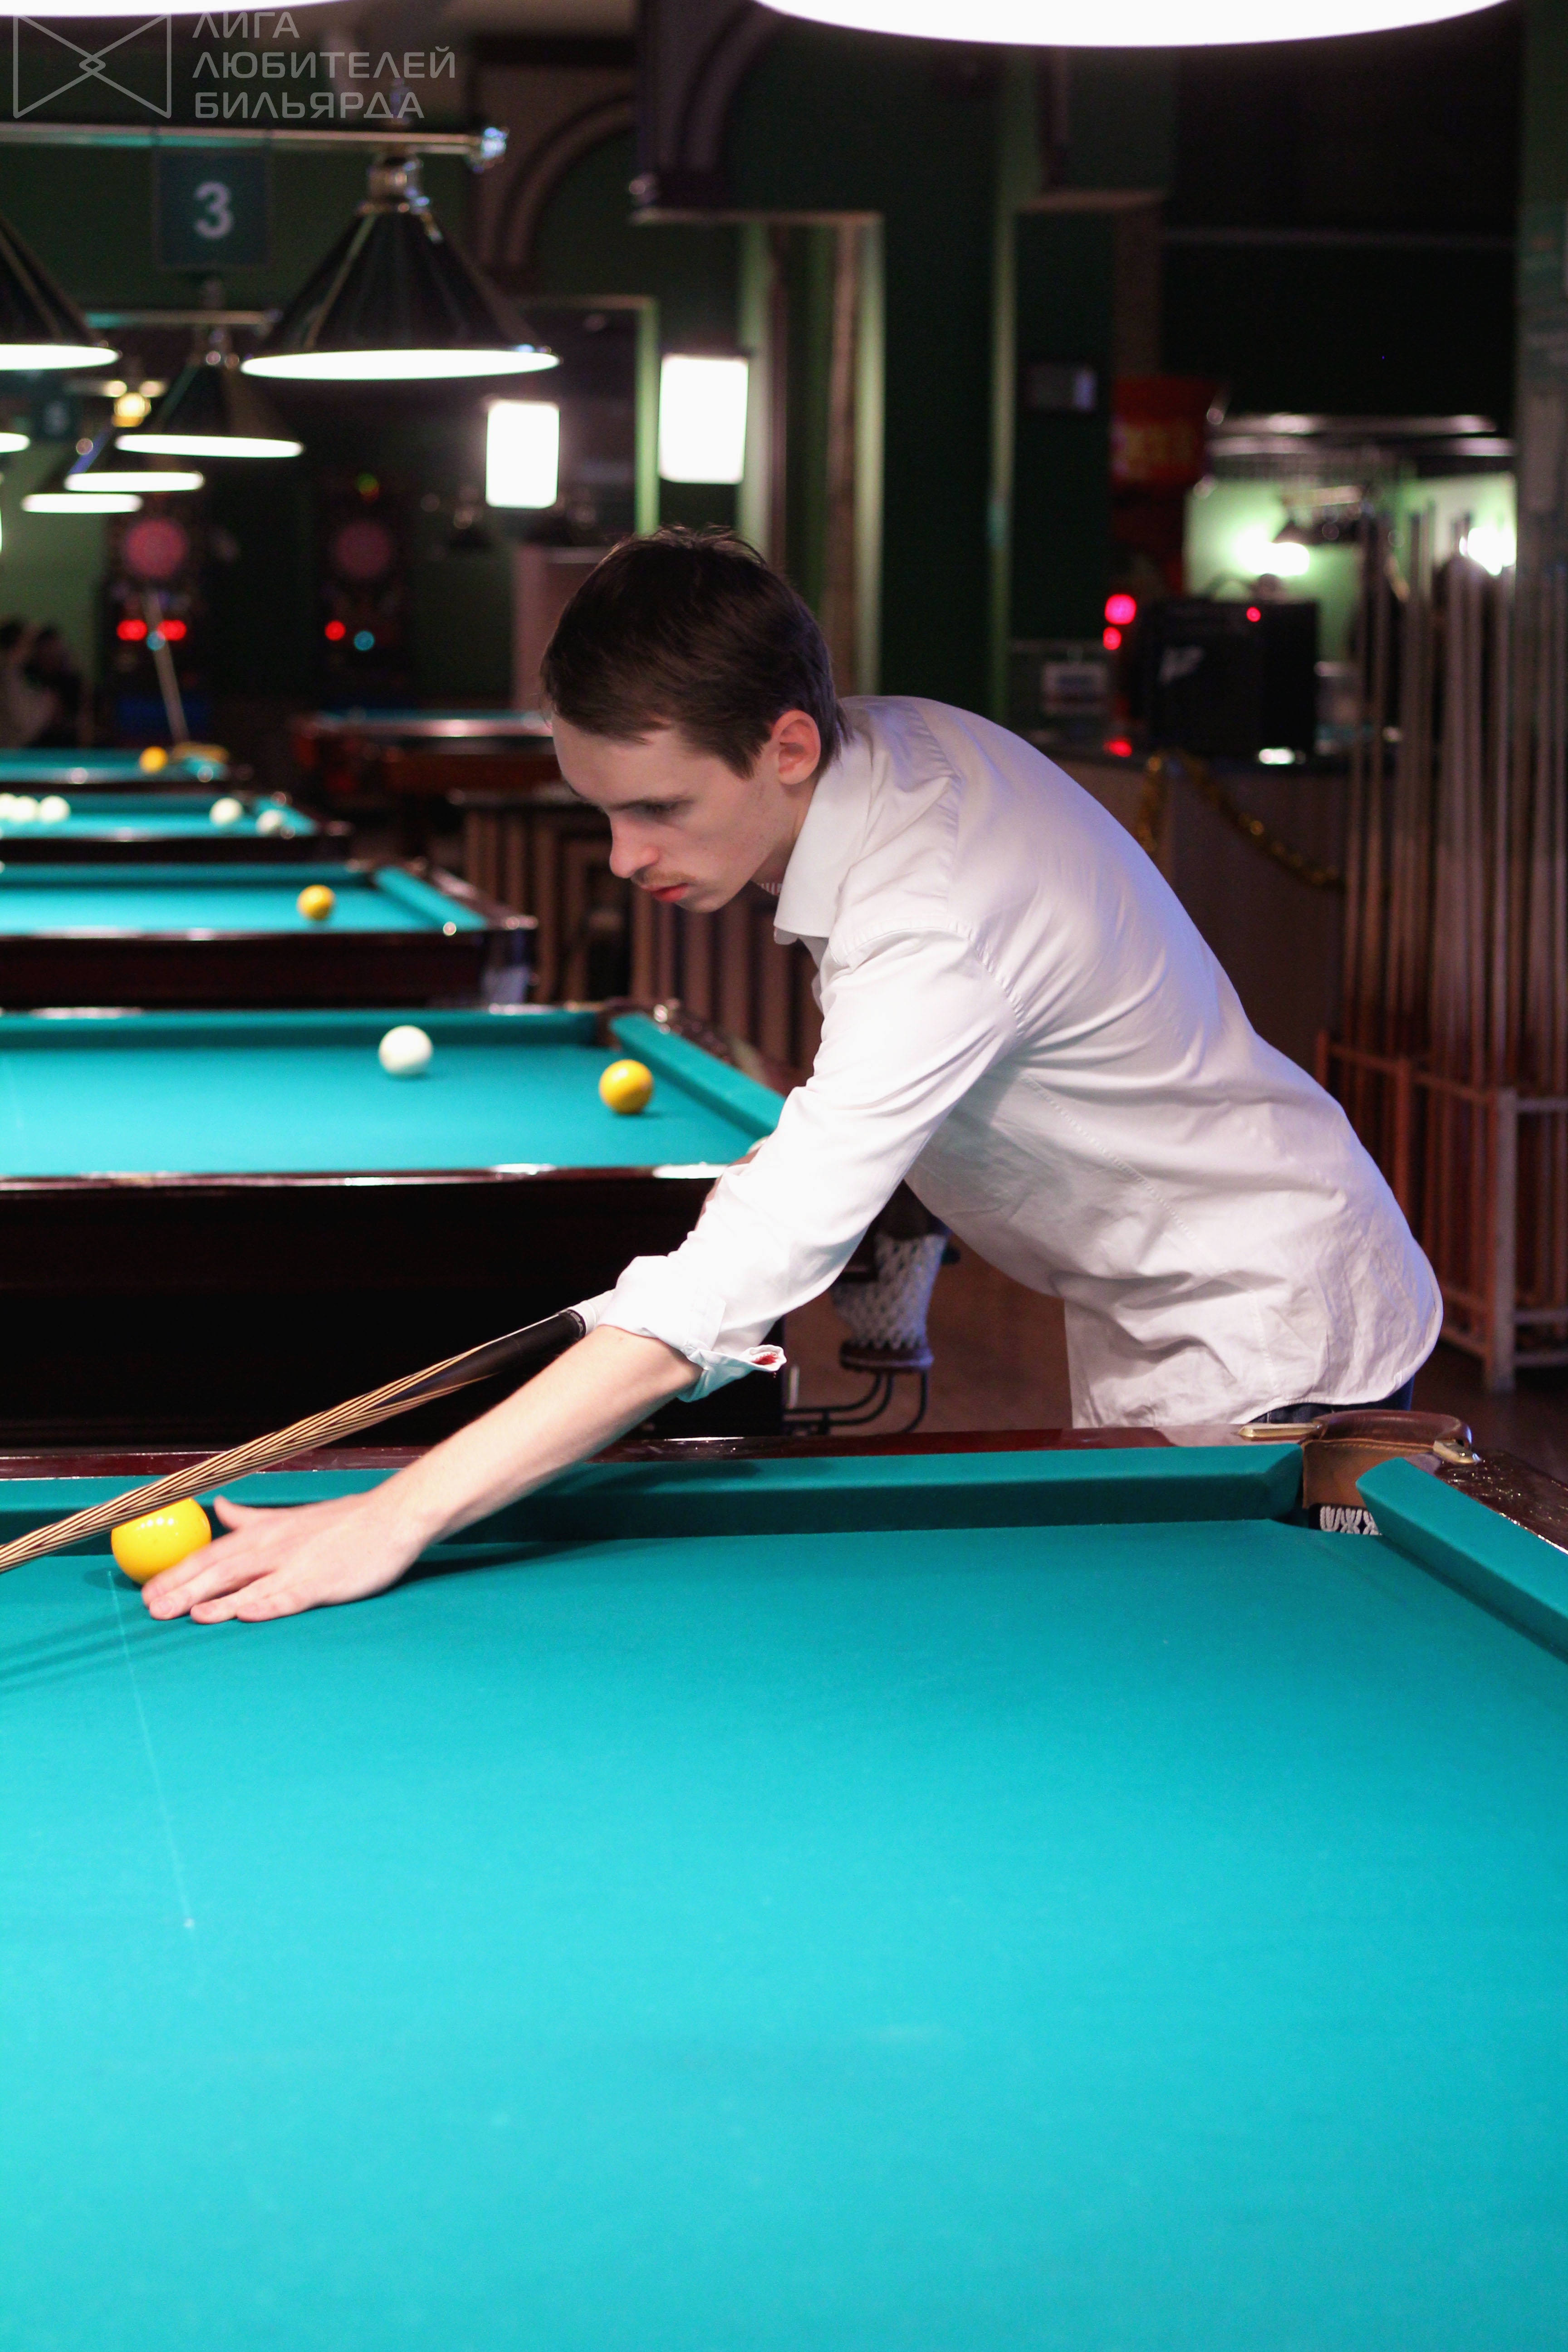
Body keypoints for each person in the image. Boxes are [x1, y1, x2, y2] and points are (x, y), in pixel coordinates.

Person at [143, 529, 1441, 1626]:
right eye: (603, 809)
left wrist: (393, 1516)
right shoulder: (890, 758)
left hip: (1266, 1334)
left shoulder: (932, 907)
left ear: (787, 746)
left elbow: (719, 1297)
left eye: (658, 808)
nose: (622, 856)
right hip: (1146, 1302)